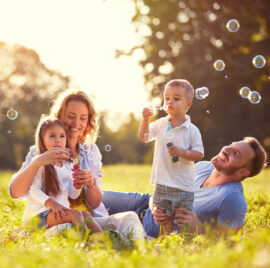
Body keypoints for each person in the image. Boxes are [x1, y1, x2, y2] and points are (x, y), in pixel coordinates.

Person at [9, 89, 146, 240]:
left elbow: (93, 203)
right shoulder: (41, 151)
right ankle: (102, 244)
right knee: (70, 229)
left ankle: (140, 249)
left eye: (83, 118)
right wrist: (37, 162)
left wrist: (89, 183)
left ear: (88, 121)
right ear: (60, 116)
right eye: (71, 116)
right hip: (55, 222)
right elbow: (16, 192)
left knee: (129, 218)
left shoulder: (90, 151)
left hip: (89, 219)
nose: (76, 123)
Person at [102, 137, 267, 238]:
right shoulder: (204, 166)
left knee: (90, 222)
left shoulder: (232, 199)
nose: (226, 149)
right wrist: (155, 204)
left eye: (235, 154)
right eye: (232, 145)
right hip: (143, 202)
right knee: (91, 196)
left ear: (242, 172)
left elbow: (231, 246)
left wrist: (200, 230)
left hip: (149, 228)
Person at [138, 79, 204, 234]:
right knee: (163, 216)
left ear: (188, 104)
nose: (170, 101)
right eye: (167, 98)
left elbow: (199, 154)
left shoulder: (191, 130)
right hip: (162, 182)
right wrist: (145, 119)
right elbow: (144, 136)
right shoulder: (161, 124)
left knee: (182, 217)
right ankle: (166, 240)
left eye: (176, 98)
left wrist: (182, 152)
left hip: (182, 184)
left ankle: (186, 241)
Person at [24, 117, 102, 232]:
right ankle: (86, 243)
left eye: (62, 136)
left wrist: (77, 185)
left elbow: (73, 195)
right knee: (75, 214)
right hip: (38, 216)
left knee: (85, 215)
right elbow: (34, 190)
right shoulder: (40, 162)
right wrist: (53, 205)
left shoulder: (67, 165)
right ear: (42, 140)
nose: (58, 140)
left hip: (58, 212)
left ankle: (103, 240)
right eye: (52, 136)